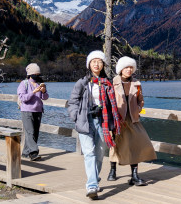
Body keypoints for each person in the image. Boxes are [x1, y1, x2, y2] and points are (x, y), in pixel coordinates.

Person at [67, 51, 122, 200]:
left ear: (103, 64)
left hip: (102, 122)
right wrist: (76, 117)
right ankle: (91, 186)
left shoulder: (108, 83)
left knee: (98, 154)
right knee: (89, 152)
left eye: (99, 61)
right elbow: (72, 102)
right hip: (85, 121)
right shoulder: (83, 82)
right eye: (93, 61)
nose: (96, 64)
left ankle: (95, 179)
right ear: (89, 64)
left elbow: (115, 103)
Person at [107, 56, 156, 186]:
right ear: (121, 69)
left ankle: (134, 175)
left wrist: (139, 108)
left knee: (137, 143)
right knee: (116, 144)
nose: (129, 70)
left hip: (133, 119)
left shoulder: (137, 84)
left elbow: (141, 99)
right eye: (126, 67)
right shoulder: (113, 82)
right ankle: (113, 170)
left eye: (131, 67)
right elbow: (108, 101)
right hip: (118, 119)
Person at [17, 63, 48, 161]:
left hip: (38, 110)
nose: (38, 76)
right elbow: (23, 98)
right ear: (30, 74)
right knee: (30, 132)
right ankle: (34, 153)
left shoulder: (39, 84)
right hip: (27, 110)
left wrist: (43, 91)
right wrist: (33, 92)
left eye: (39, 74)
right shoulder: (24, 84)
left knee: (35, 133)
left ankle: (25, 153)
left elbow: (46, 97)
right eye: (36, 74)